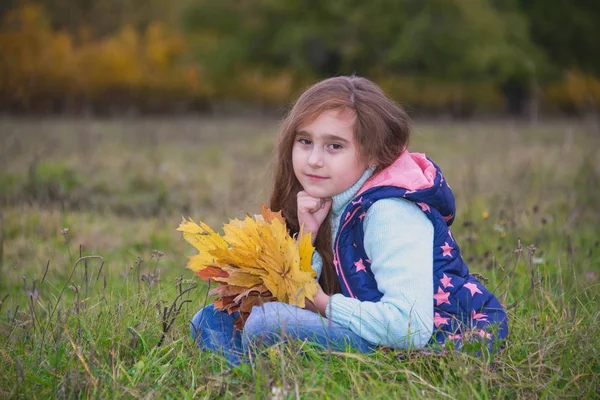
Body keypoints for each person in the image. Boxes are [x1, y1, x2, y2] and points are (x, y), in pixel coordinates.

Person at [190, 76, 508, 365]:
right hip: (372, 326)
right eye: (305, 141)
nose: (314, 160)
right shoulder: (331, 200)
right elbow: (298, 295)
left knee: (267, 323)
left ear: (374, 153)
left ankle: (266, 374)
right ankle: (254, 380)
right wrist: (307, 238)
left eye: (334, 146)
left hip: (434, 343)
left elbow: (409, 328)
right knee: (211, 319)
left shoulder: (389, 212)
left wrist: (321, 302)